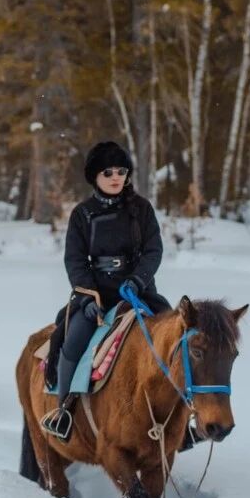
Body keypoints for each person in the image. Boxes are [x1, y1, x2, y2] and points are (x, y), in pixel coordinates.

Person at [40, 140, 169, 442]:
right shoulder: (82, 214)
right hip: (96, 293)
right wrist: (86, 296)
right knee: (72, 340)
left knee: (178, 338)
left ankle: (184, 416)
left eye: (121, 171)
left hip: (138, 290)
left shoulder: (141, 209)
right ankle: (65, 412)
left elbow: (154, 250)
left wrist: (138, 280)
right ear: (94, 176)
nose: (115, 177)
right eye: (108, 171)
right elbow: (74, 259)